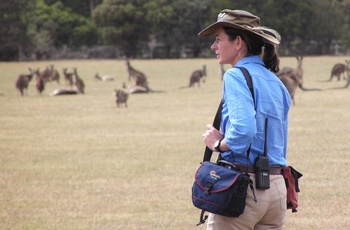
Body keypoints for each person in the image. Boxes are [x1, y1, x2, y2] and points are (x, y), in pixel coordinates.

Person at [199, 9, 291, 229]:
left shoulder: (235, 75)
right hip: (277, 187)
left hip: (242, 189)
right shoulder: (276, 81)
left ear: (238, 42)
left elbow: (243, 131)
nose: (214, 47)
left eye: (218, 40)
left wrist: (217, 144)